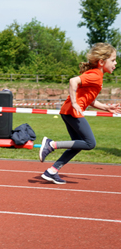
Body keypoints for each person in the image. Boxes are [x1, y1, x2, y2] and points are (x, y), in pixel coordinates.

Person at [39, 43, 120, 184]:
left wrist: (107, 108)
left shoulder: (97, 76)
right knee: (90, 143)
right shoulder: (95, 75)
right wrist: (75, 103)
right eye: (113, 60)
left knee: (77, 144)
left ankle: (52, 171)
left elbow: (91, 100)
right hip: (72, 111)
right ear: (101, 62)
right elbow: (73, 81)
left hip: (69, 111)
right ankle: (51, 144)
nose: (116, 63)